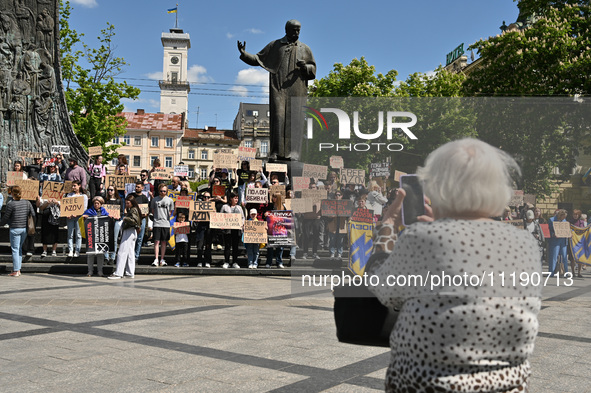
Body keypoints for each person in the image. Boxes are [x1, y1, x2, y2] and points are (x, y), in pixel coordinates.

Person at [368, 138, 541, 392]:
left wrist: (387, 227)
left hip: (430, 382)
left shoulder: (423, 238)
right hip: (507, 384)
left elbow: (381, 287)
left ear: (436, 186)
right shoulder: (526, 242)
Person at [238, 19, 316, 161]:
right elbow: (258, 59)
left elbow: (313, 70)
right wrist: (244, 54)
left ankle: (294, 153)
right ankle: (275, 152)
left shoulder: (305, 49)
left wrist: (305, 67)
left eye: (298, 30)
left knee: (295, 119)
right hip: (278, 87)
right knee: (278, 117)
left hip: (297, 89)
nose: (296, 32)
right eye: (294, 30)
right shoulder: (275, 45)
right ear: (286, 30)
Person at [0, 186, 36, 276]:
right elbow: (33, 214)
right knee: (18, 249)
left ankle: (16, 270)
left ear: (12, 193)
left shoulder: (11, 204)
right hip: (24, 228)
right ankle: (18, 270)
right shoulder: (27, 203)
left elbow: (6, 217)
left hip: (14, 228)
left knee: (15, 249)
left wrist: (1, 223)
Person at [108, 195, 141, 279]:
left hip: (129, 231)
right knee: (130, 253)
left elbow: (134, 221)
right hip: (131, 231)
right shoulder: (134, 209)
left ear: (132, 203)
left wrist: (125, 218)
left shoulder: (133, 210)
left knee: (122, 252)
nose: (126, 204)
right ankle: (130, 272)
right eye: (126, 203)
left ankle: (118, 273)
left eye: (128, 203)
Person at [82, 196, 109, 277]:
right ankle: (90, 271)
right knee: (90, 254)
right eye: (95, 203)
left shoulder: (105, 212)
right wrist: (85, 217)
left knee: (100, 254)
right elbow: (82, 218)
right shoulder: (89, 211)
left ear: (101, 204)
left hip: (101, 236)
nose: (96, 205)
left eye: (98, 203)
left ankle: (100, 271)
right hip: (91, 236)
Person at [150, 183, 174, 266]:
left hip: (166, 223)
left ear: (167, 191)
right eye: (161, 191)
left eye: (164, 191)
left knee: (164, 242)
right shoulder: (154, 200)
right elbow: (153, 211)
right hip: (157, 223)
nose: (163, 192)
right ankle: (156, 258)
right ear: (159, 191)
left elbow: (170, 212)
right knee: (156, 241)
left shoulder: (170, 200)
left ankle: (162, 259)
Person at [220, 192, 244, 268]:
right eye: (235, 198)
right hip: (227, 230)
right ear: (231, 198)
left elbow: (243, 218)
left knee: (235, 246)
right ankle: (226, 261)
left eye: (237, 198)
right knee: (227, 246)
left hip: (236, 230)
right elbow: (220, 216)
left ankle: (235, 262)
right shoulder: (224, 207)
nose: (236, 199)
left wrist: (241, 224)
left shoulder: (239, 208)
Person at [65, 180, 88, 258]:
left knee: (78, 234)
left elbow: (84, 208)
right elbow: (66, 206)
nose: (73, 187)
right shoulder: (69, 195)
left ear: (79, 185)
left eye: (74, 185)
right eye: (72, 186)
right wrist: (68, 214)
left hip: (79, 217)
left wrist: (77, 214)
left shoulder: (84, 196)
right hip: (70, 217)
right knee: (70, 234)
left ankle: (77, 250)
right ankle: (71, 250)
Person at [263, 192, 286, 268]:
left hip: (279, 230)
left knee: (280, 247)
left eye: (275, 197)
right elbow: (265, 216)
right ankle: (269, 262)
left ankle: (279, 262)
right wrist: (265, 215)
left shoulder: (283, 207)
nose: (273, 199)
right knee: (270, 247)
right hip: (271, 229)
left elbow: (286, 218)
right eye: (273, 197)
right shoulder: (269, 206)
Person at [104, 185, 124, 264]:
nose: (110, 191)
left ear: (115, 191)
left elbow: (121, 211)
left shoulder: (119, 200)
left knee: (114, 240)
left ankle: (112, 257)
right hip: (107, 221)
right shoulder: (106, 200)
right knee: (106, 239)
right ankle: (106, 257)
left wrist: (118, 216)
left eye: (111, 190)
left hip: (116, 221)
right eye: (108, 190)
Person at [130, 181, 150, 261]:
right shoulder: (131, 196)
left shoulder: (145, 198)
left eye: (138, 187)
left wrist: (145, 214)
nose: (136, 188)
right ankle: (131, 254)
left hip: (142, 219)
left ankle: (136, 256)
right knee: (132, 238)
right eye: (136, 186)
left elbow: (147, 209)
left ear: (142, 188)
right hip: (133, 219)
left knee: (139, 238)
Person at [548, 209, 569, 277]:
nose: (564, 218)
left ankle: (566, 272)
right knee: (554, 257)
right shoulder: (551, 220)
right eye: (563, 216)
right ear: (560, 215)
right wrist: (553, 234)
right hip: (555, 240)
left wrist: (569, 233)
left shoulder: (564, 220)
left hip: (563, 240)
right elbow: (548, 231)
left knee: (565, 257)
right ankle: (551, 272)